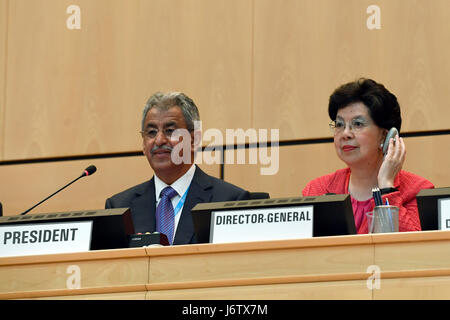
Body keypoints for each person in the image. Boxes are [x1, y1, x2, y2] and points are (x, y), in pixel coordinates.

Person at [106, 92, 250, 244]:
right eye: (151, 132)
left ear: (194, 140)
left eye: (170, 131)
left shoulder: (229, 201)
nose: (159, 140)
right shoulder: (120, 207)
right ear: (143, 143)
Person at [302, 78, 434, 233]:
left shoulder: (417, 191)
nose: (345, 134)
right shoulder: (317, 191)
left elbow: (411, 250)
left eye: (358, 124)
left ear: (385, 136)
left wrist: (387, 187)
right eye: (339, 124)